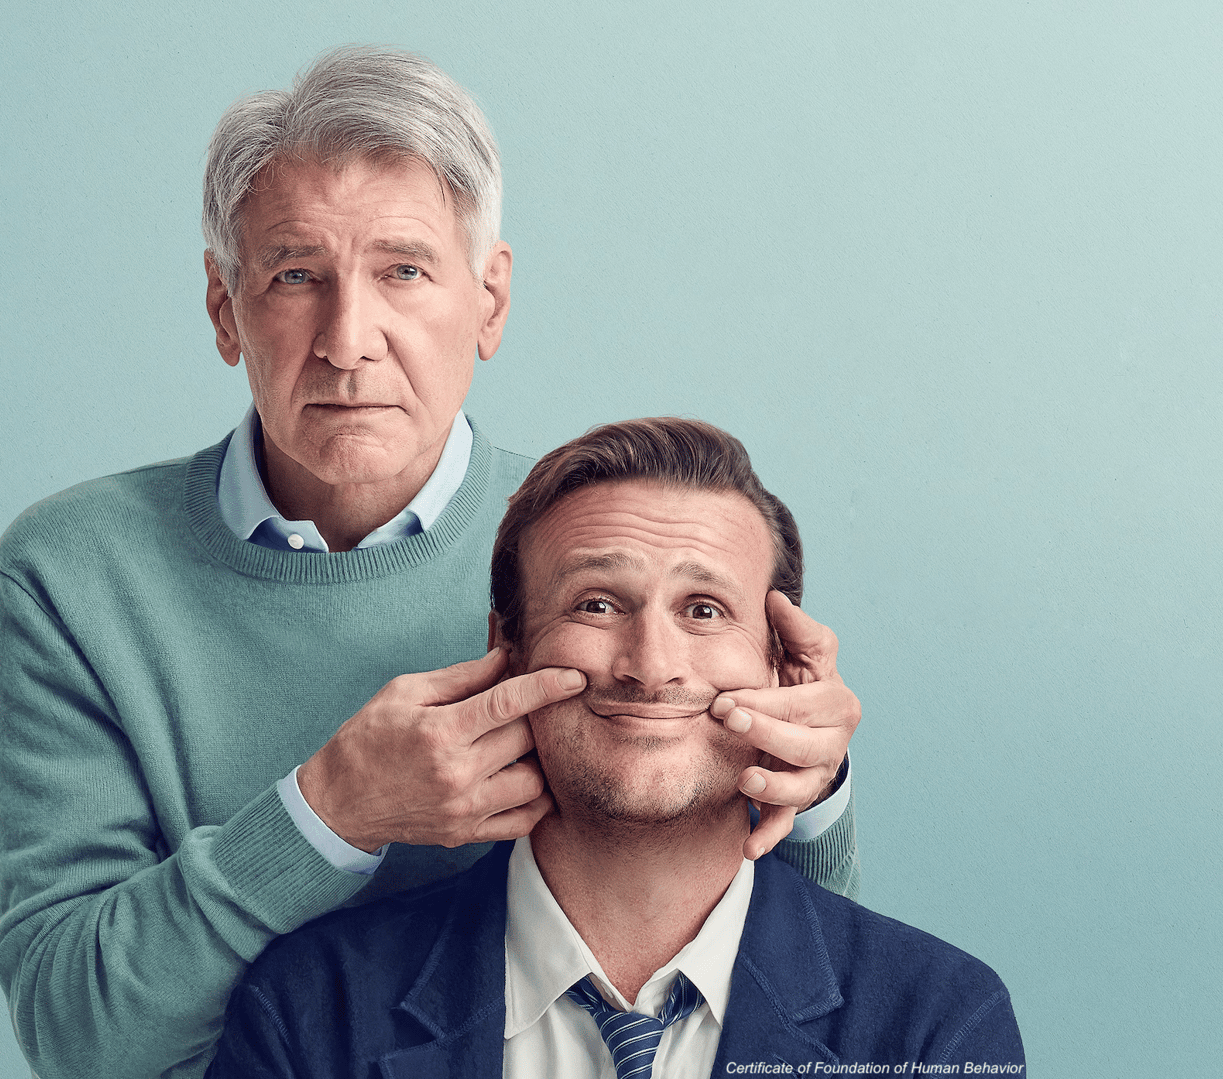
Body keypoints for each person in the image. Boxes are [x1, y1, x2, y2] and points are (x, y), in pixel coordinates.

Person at [0, 48, 861, 1079]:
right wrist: (329, 815)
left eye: (403, 271)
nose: (349, 341)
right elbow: (80, 1040)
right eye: (296, 275)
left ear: (489, 301)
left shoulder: (612, 563)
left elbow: (819, 997)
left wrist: (815, 790)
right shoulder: (73, 576)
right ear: (225, 307)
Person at [205, 418, 1022, 1077]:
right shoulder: (310, 1013)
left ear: (784, 667)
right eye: (596, 605)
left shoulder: (937, 1024)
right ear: (508, 650)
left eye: (704, 610)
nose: (651, 668)